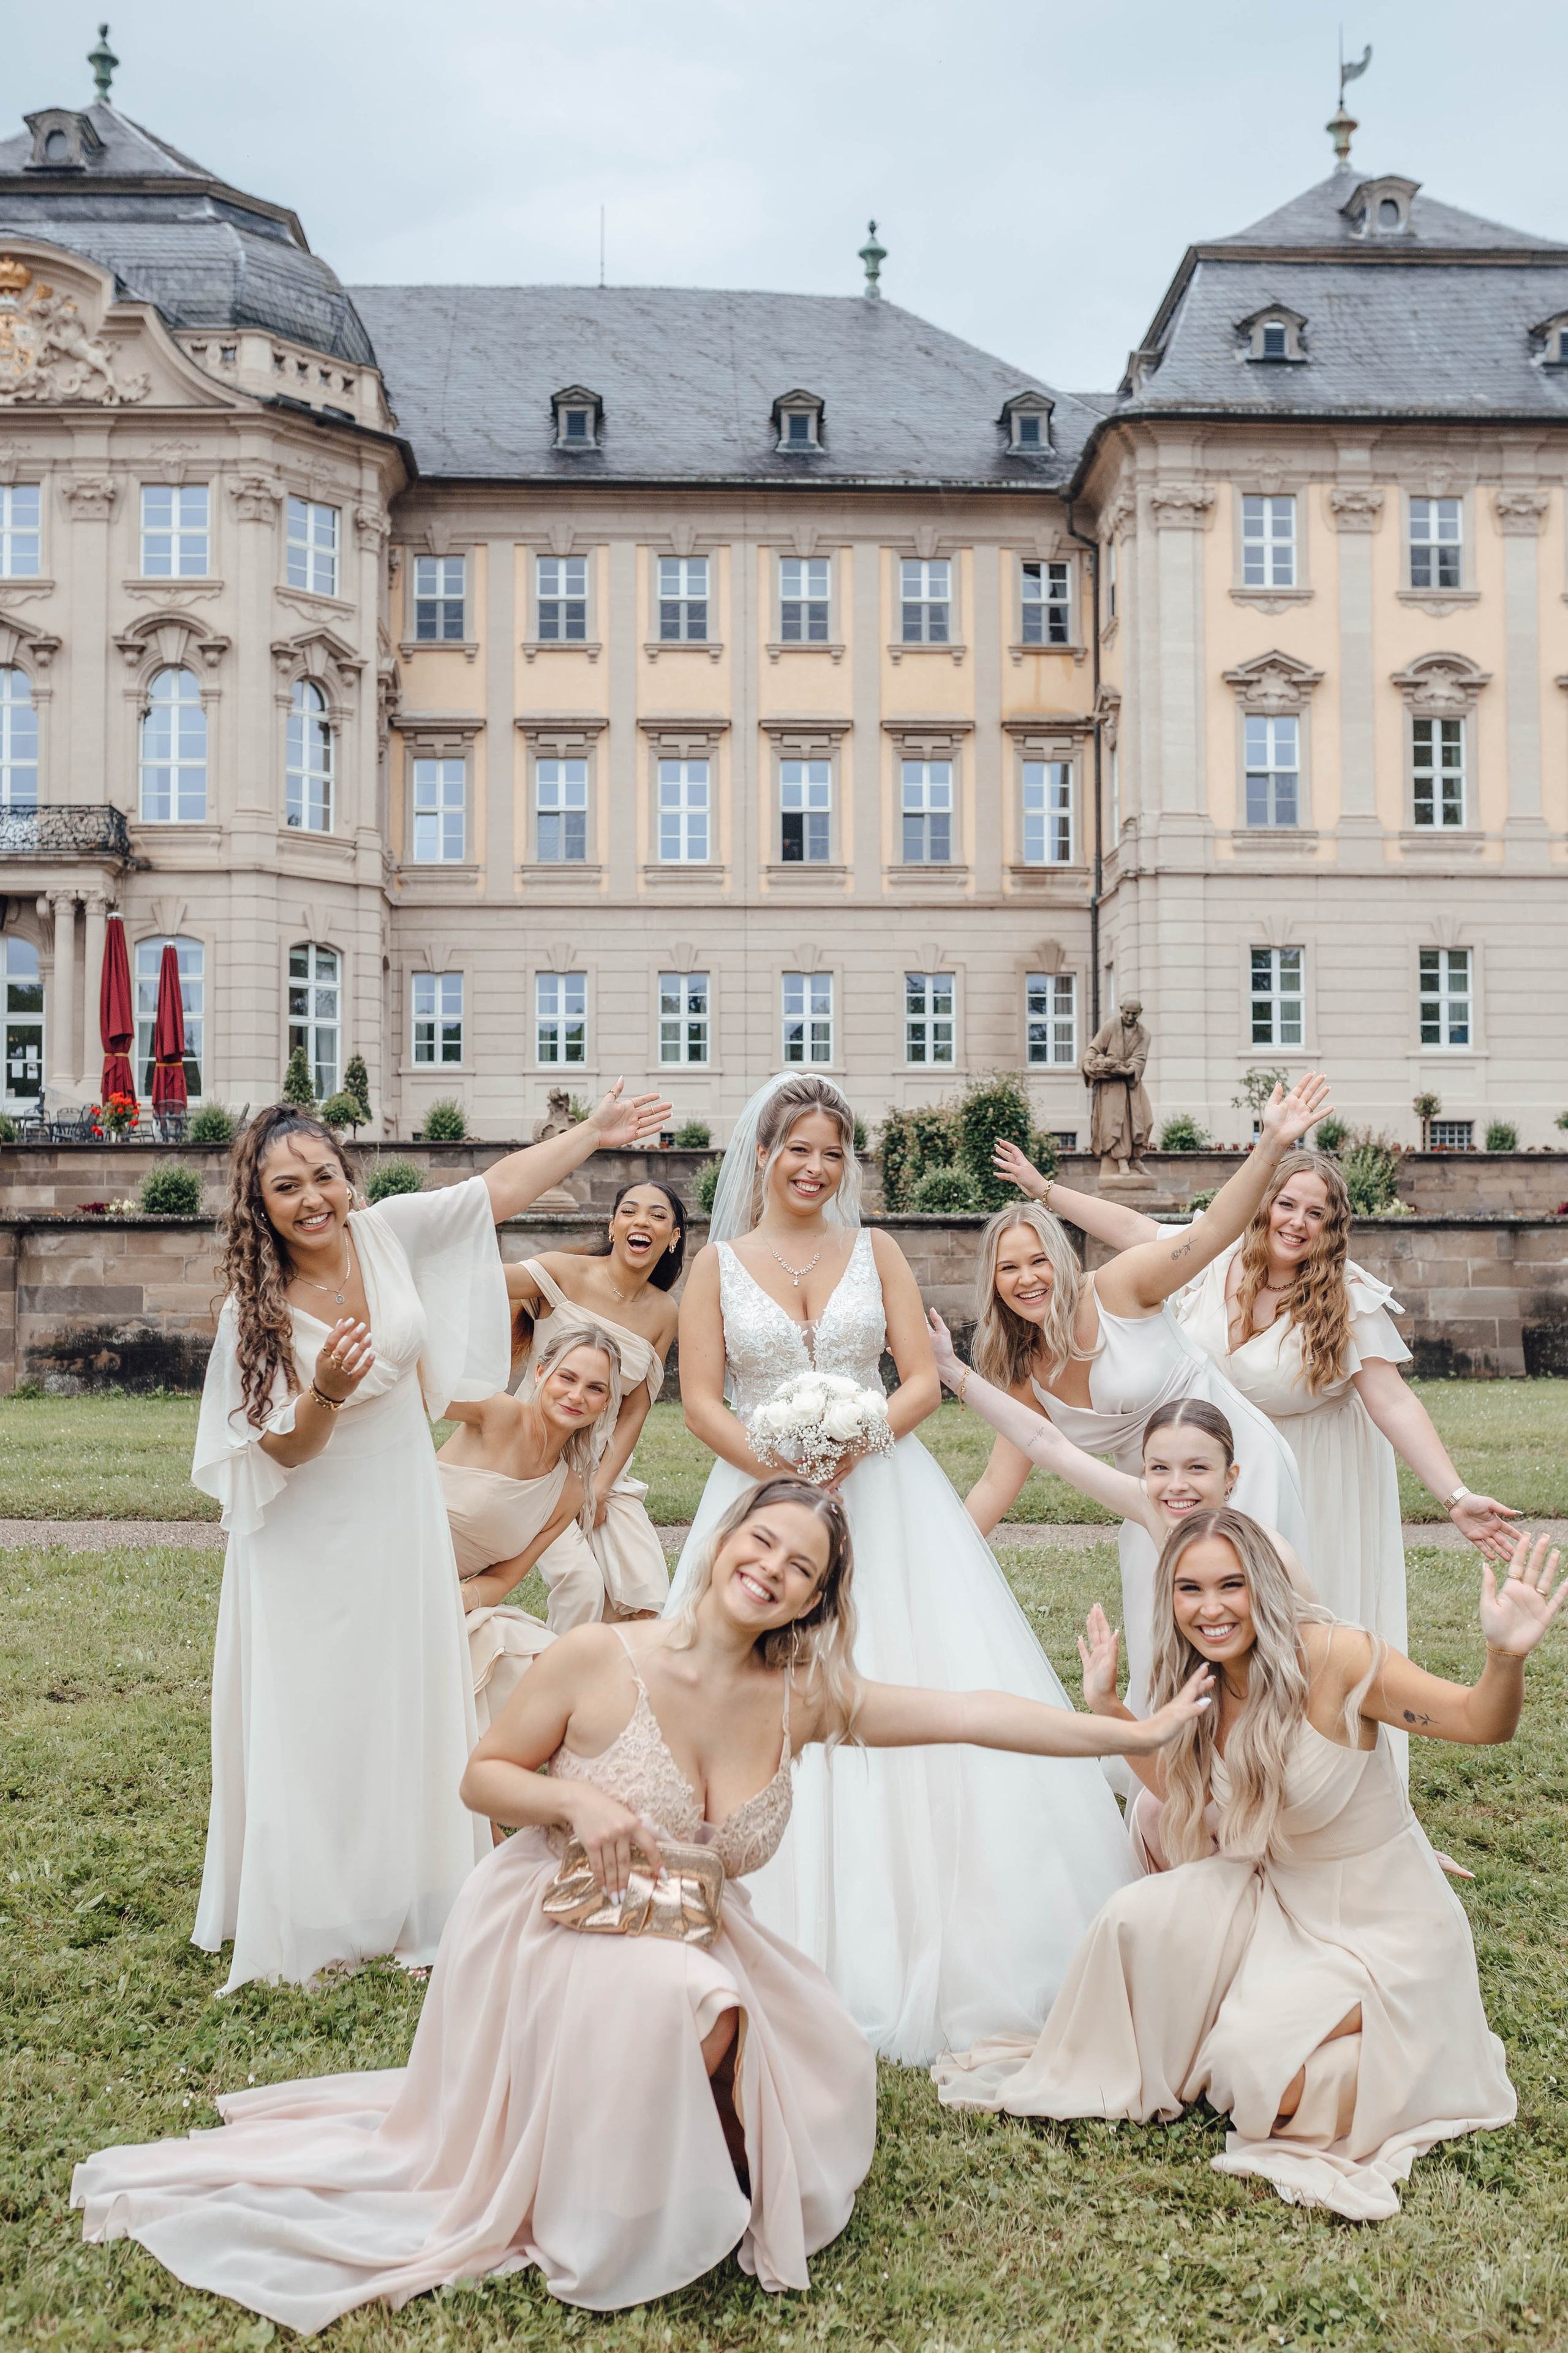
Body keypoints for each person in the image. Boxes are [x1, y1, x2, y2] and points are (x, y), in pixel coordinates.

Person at [74, 1479, 1213, 2329]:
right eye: (762, 1540)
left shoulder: (804, 1696)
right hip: (556, 1919)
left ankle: (700, 2175)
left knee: (816, 2056)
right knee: (703, 2006)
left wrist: (1129, 1732)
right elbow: (483, 1777)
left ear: (815, 1598)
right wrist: (573, 1801)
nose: (771, 1567)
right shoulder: (595, 1653)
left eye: (802, 1566)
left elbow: (972, 1712)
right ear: (723, 1544)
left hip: (695, 1920)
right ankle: (671, 2210)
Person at [668, 1073, 1144, 2068]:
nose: (813, 1167)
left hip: (882, 1490)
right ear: (762, 1153)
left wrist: (858, 1439)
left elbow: (920, 1379)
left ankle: (953, 1927)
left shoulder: (875, 1250)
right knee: (758, 1688)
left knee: (920, 1678)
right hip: (757, 1504)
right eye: (797, 1148)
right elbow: (702, 1401)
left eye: (832, 1153)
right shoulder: (714, 1265)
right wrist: (780, 1465)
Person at [933, 1507, 1562, 2221]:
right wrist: (1109, 1704)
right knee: (1129, 1920)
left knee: (1253, 2070)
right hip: (1272, 1894)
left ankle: (1394, 2042)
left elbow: (1482, 1722)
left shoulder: (1338, 1658)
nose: (1210, 1608)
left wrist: (1504, 1656)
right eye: (1188, 1588)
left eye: (1230, 1584)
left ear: (1261, 1583)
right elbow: (1189, 1796)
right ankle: (1243, 2018)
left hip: (1382, 1919)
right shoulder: (1199, 1679)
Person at [189, 1080, 669, 1995]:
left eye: (323, 1175)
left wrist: (594, 1136)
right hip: (307, 1529)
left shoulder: (388, 1232)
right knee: (320, 1702)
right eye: (286, 1187)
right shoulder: (251, 1312)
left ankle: (410, 1891)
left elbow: (494, 1191)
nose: (312, 1199)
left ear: (347, 1175)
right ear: (259, 1204)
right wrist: (324, 1387)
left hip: (400, 1503)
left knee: (405, 1692)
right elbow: (278, 1450)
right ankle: (315, 1905)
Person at [964, 1075, 1330, 1717]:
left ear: (1059, 1257)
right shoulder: (1023, 1373)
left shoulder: (1122, 1287)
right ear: (992, 1284)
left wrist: (1271, 1143)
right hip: (1149, 1501)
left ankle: (1281, 1758)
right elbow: (998, 1483)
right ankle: (1181, 1782)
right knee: (1171, 1643)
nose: (1027, 1279)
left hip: (1234, 1465)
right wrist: (932, 1545)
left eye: (1038, 1260)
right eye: (1008, 1267)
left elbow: (1216, 1229)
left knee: (1258, 1625)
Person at [1069, 1146, 1520, 1652]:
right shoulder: (1216, 1254)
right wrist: (1044, 1190)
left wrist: (1456, 1498)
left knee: (1301, 1631)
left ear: (1332, 1226)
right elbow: (1134, 1231)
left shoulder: (1347, 1298)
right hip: (1216, 1468)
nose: (1298, 1222)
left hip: (1313, 1479)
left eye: (1316, 1213)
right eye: (1287, 1204)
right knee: (1210, 1616)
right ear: (1264, 1204)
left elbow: (1393, 1403)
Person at [926, 1322, 1315, 1595]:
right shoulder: (1151, 1509)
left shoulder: (1270, 1553)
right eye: (1160, 1468)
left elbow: (1323, 1652)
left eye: (1197, 1467)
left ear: (1231, 1477)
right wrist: (950, 1367)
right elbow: (1048, 1444)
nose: (1176, 1484)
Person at [505, 1179, 684, 1623]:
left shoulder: (664, 1312)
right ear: (613, 1226)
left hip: (601, 1465)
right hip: (534, 1458)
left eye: (658, 1215)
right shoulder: (561, 1271)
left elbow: (635, 1408)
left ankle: (609, 1684)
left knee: (645, 1595)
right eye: (630, 1210)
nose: (642, 1221)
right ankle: (556, 1682)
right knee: (582, 1585)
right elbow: (482, 1280)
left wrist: (600, 1485)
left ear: (674, 1237)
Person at [439, 1326, 626, 1731]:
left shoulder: (570, 1492)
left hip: (445, 1598)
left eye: (595, 1388)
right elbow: (413, 1397)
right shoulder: (499, 1414)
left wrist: (462, 1598)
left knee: (542, 1660)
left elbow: (504, 1577)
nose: (576, 1396)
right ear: (541, 1372)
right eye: (567, 1378)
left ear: (607, 1401)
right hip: (384, 1558)